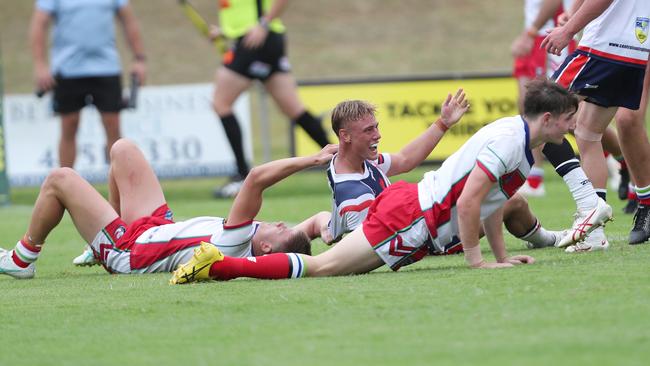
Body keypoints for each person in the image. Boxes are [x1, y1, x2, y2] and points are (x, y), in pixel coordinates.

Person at [170, 79, 609, 284]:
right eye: (570, 121)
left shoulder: (517, 138)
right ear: (548, 118)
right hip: (408, 217)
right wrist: (478, 262)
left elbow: (488, 201)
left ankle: (552, 238)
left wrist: (501, 257)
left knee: (509, 204)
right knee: (320, 269)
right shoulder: (511, 140)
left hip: (410, 214)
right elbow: (471, 202)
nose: (573, 128)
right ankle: (222, 266)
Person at [0, 139, 336, 280]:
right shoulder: (265, 241)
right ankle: (95, 244)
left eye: (279, 229)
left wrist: (314, 159)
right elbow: (314, 223)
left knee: (61, 178)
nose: (279, 222)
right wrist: (329, 224)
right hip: (154, 228)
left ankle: (21, 260)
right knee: (123, 149)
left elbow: (256, 178)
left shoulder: (234, 245)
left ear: (264, 248)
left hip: (129, 252)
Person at [324, 92, 564, 252]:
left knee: (496, 199)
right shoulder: (355, 194)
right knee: (511, 201)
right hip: (427, 241)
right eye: (368, 130)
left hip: (417, 223)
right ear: (345, 136)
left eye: (376, 127)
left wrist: (443, 123)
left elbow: (406, 159)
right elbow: (371, 244)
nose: (377, 135)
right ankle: (551, 239)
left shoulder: (357, 161)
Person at [542, 0, 650, 244]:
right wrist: (571, 17)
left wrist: (568, 30)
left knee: (541, 117)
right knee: (587, 133)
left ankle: (588, 213)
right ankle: (594, 232)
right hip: (634, 50)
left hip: (604, 47)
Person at [208, 0, 331, 198]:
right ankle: (345, 163)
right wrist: (225, 32)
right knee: (294, 109)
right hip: (263, 40)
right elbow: (241, 12)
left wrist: (263, 24)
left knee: (221, 102)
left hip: (257, 40)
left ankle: (242, 175)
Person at [29, 0, 147, 168]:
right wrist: (40, 65)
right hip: (67, 69)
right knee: (69, 125)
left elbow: (128, 20)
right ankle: (65, 188)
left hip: (106, 67)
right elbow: (39, 24)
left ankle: (121, 190)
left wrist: (139, 59)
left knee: (113, 126)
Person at [511, 0, 574, 197]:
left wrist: (530, 32)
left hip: (549, 35)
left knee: (564, 114)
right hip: (535, 34)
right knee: (527, 106)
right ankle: (534, 177)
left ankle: (616, 160)